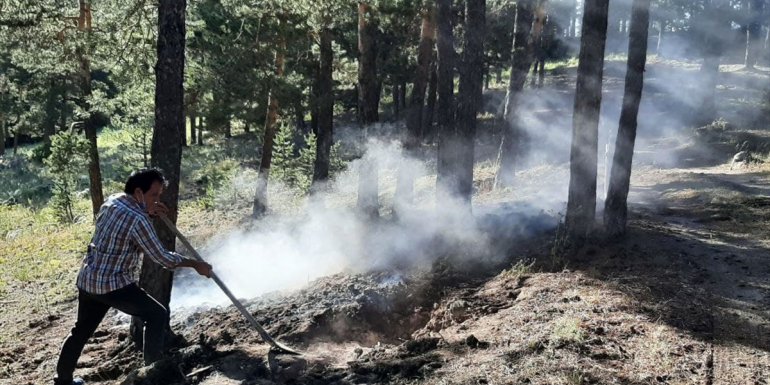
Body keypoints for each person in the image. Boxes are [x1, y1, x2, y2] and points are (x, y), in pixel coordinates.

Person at [53, 168, 213, 385]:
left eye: (159, 196)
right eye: (153, 195)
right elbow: (162, 258)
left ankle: (62, 381)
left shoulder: (113, 201)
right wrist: (195, 265)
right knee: (157, 314)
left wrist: (149, 210)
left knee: (80, 330)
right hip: (113, 285)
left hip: (89, 279)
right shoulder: (138, 220)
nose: (157, 201)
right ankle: (152, 376)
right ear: (138, 192)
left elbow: (123, 228)